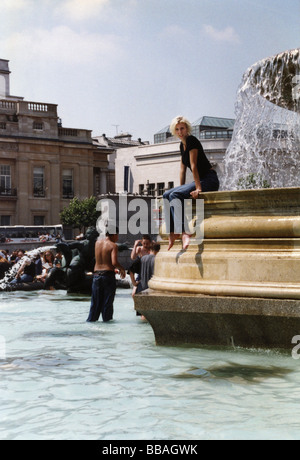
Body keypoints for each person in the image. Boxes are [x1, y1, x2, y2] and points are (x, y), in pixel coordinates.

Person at [163, 115, 219, 250]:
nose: (180, 132)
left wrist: (198, 188)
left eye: (182, 128)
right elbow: (182, 169)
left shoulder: (192, 140)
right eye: (177, 129)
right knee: (166, 195)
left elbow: (193, 166)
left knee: (174, 195)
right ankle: (173, 232)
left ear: (187, 128)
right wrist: (181, 189)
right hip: (201, 179)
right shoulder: (182, 146)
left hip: (209, 179)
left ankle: (185, 232)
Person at [86, 227, 126, 323]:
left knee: (95, 303)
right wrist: (122, 269)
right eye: (117, 235)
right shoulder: (113, 246)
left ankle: (91, 322)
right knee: (107, 303)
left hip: (96, 276)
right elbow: (114, 262)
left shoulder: (97, 243)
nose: (117, 238)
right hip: (107, 276)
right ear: (114, 234)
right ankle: (107, 323)